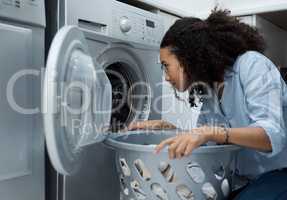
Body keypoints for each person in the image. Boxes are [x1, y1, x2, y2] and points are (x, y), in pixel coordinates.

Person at [128, 9, 287, 200]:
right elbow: (204, 144)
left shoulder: (251, 65)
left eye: (166, 65)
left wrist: (209, 132)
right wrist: (169, 130)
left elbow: (271, 136)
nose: (166, 76)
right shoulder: (209, 89)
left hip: (279, 173)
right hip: (240, 179)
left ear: (188, 57)